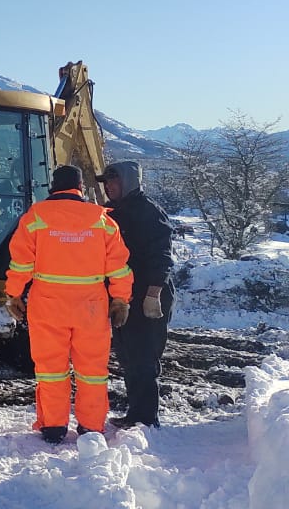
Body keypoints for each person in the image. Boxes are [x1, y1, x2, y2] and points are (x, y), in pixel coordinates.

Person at [5, 165, 133, 444]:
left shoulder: (35, 216)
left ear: (53, 186)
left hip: (47, 305)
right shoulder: (101, 219)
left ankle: (53, 427)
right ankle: (91, 428)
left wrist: (13, 294)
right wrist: (120, 299)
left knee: (51, 369)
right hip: (91, 307)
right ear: (80, 188)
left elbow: (21, 262)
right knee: (92, 370)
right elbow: (118, 266)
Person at [97, 160, 174, 429]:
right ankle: (136, 413)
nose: (108, 186)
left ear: (128, 181)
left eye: (113, 181)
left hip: (146, 294)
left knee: (143, 357)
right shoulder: (112, 212)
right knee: (128, 356)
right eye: (106, 182)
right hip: (123, 297)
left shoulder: (148, 212)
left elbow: (162, 257)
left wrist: (154, 293)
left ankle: (146, 419)